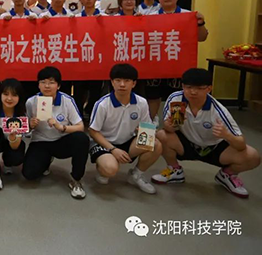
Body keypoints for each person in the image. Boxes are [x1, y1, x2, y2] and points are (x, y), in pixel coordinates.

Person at [151, 68, 260, 198]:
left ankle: (227, 175)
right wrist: (170, 126)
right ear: (183, 86)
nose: (193, 92)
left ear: (209, 89)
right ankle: (175, 170)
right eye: (189, 87)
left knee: (253, 156)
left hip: (215, 149)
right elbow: (169, 129)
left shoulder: (218, 111)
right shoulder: (176, 100)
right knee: (161, 135)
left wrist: (226, 135)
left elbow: (241, 144)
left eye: (199, 88)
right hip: (188, 144)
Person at [88, 64, 162, 194]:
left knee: (155, 144)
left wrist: (143, 131)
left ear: (134, 83)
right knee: (110, 169)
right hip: (105, 144)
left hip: (128, 142)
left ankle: (136, 175)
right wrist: (113, 149)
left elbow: (147, 128)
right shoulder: (102, 104)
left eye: (127, 81)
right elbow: (93, 131)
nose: (122, 84)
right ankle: (103, 169)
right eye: (118, 80)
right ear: (112, 82)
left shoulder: (141, 102)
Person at [144, 0, 208, 121]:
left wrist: (201, 23)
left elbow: (202, 37)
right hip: (155, 65)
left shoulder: (188, 15)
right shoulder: (150, 16)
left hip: (179, 65)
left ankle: (176, 124)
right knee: (152, 98)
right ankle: (148, 127)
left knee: (178, 97)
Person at [24, 67, 89, 199]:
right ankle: (46, 160)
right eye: (43, 82)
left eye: (51, 82)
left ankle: (76, 179)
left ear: (58, 85)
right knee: (29, 174)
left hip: (62, 141)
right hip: (41, 141)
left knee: (82, 139)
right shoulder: (31, 102)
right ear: (38, 85)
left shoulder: (67, 100)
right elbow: (25, 129)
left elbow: (80, 126)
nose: (47, 86)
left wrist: (61, 127)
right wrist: (30, 125)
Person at [0, 78, 27, 190]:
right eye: (6, 94)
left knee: (16, 157)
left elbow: (15, 145)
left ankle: (8, 162)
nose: (9, 98)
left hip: (11, 142)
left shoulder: (23, 111)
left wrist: (13, 137)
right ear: (0, 94)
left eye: (14, 95)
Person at [73, 0, 105, 121]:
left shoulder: (103, 16)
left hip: (97, 61)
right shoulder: (75, 17)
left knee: (95, 92)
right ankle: (78, 119)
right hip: (80, 61)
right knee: (78, 92)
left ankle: (93, 119)